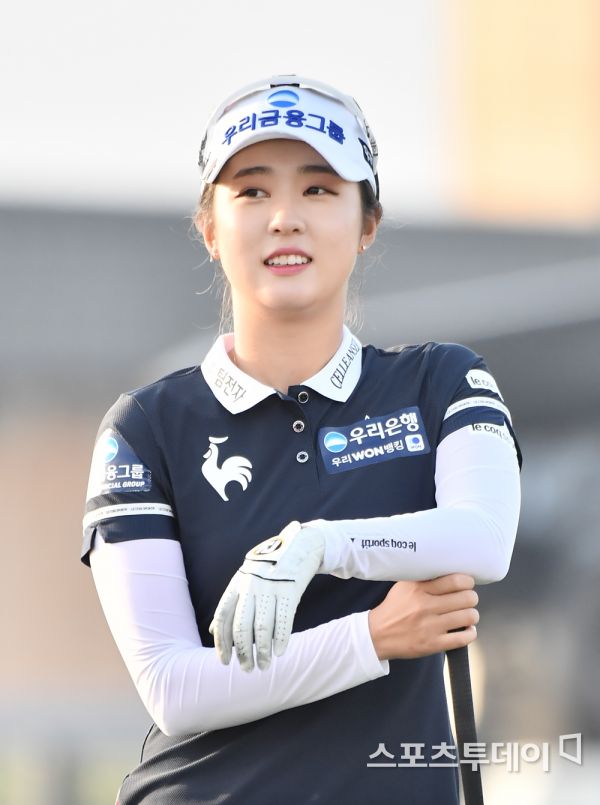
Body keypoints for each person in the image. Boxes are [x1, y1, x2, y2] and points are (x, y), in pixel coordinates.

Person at [82, 74, 522, 804]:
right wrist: (373, 636)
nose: (285, 217)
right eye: (252, 191)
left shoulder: (441, 382)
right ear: (210, 229)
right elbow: (174, 688)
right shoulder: (146, 428)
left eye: (319, 189)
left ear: (367, 222)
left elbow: (484, 538)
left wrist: (318, 546)